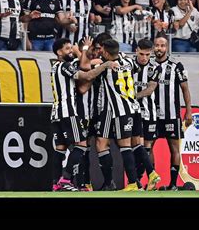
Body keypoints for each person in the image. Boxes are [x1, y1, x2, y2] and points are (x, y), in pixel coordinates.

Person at [50, 37, 117, 191]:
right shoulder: (65, 66)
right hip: (69, 111)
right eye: (67, 49)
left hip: (56, 112)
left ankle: (55, 183)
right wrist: (105, 64)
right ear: (59, 52)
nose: (71, 51)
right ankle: (65, 180)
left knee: (60, 148)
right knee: (81, 144)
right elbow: (86, 78)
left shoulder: (55, 67)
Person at [95, 39, 143, 191]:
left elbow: (88, 70)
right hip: (124, 108)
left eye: (102, 50)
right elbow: (136, 67)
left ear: (107, 53)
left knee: (125, 146)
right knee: (101, 143)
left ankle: (134, 183)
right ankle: (110, 183)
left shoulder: (106, 68)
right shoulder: (127, 61)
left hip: (120, 110)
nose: (100, 52)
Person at [151, 35, 192, 190]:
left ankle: (173, 184)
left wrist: (188, 110)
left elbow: (185, 89)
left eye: (162, 45)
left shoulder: (177, 66)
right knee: (148, 147)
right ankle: (152, 182)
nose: (159, 48)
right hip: (152, 114)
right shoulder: (149, 65)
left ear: (167, 47)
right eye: (157, 45)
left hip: (172, 114)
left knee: (174, 148)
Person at [132, 38, 161, 190]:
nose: (144, 58)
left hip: (149, 113)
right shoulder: (129, 65)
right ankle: (137, 180)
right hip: (131, 113)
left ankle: (142, 180)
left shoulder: (155, 68)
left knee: (147, 148)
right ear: (136, 50)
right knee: (134, 146)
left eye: (147, 55)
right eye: (142, 54)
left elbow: (150, 90)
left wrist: (132, 96)